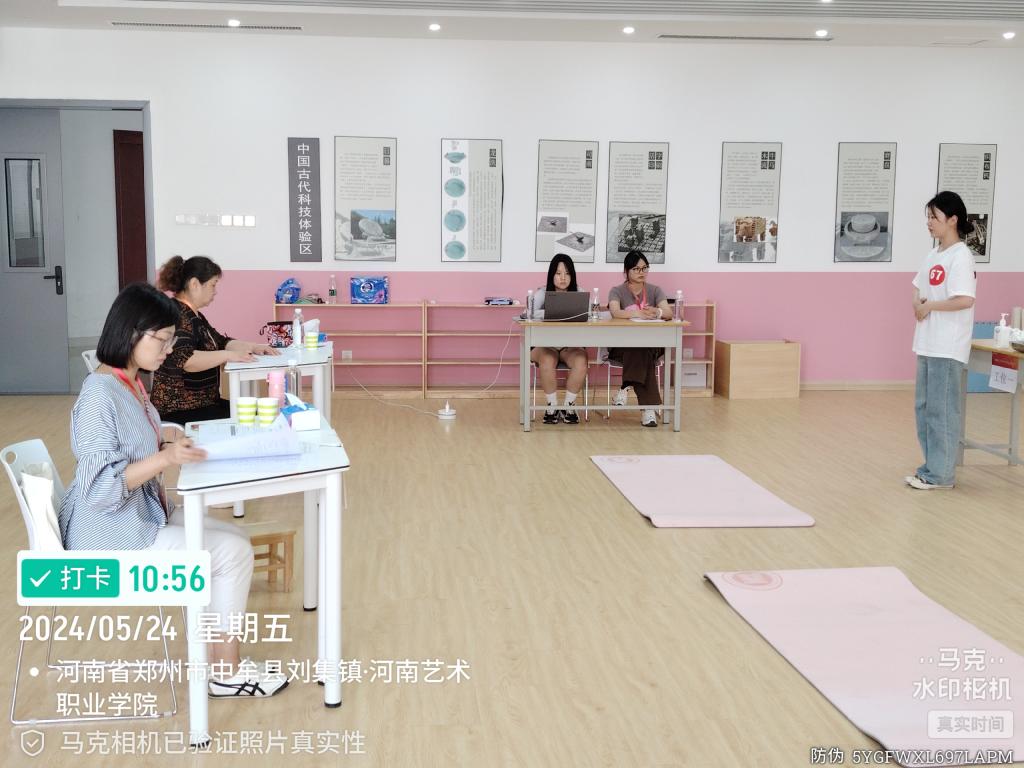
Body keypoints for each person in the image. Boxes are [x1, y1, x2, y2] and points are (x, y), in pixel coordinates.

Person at [59, 283, 288, 697]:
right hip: (109, 537)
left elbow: (130, 444)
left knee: (234, 537)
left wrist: (166, 438)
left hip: (139, 516)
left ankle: (220, 660)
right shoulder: (99, 396)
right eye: (162, 339)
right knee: (232, 552)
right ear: (131, 332)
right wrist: (166, 458)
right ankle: (226, 671)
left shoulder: (128, 383)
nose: (168, 350)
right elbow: (100, 491)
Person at [152, 256, 279, 424]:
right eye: (213, 285)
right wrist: (228, 355)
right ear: (195, 284)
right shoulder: (178, 315)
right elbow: (187, 360)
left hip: (204, 405)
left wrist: (254, 346)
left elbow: (220, 341)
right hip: (181, 411)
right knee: (256, 416)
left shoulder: (194, 315)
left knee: (256, 413)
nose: (215, 291)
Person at [906, 191, 976, 490]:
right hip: (927, 342)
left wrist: (930, 306)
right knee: (924, 408)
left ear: (952, 220)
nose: (929, 222)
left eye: (934, 217)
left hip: (947, 346)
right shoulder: (934, 254)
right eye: (928, 217)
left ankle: (942, 475)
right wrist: (917, 303)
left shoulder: (961, 256)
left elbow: (965, 299)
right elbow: (917, 286)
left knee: (942, 411)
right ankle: (931, 467)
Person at [607, 250, 672, 427]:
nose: (641, 272)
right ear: (626, 271)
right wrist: (637, 313)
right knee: (640, 349)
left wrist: (657, 312)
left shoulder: (655, 290)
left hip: (652, 345)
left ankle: (625, 386)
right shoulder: (617, 291)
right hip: (622, 346)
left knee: (643, 348)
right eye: (636, 269)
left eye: (644, 268)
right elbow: (615, 312)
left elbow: (668, 313)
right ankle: (648, 410)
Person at [531, 253, 588, 424]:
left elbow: (589, 314)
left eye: (567, 273)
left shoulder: (579, 292)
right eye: (558, 273)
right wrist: (552, 312)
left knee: (581, 361)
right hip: (545, 346)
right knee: (547, 360)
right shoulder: (542, 293)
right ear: (551, 275)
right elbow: (529, 313)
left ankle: (568, 405)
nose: (563, 278)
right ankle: (552, 406)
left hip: (570, 346)